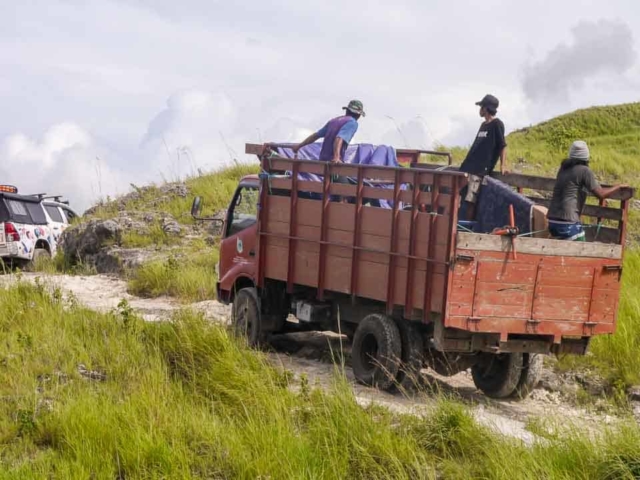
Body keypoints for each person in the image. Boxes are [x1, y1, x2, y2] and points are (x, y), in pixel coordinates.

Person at [547, 140, 626, 241]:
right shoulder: (585, 171)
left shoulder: (563, 168)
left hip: (552, 222)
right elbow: (601, 194)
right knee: (581, 252)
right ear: (586, 156)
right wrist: (618, 186)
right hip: (568, 224)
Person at [459, 94, 507, 220]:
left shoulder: (497, 124)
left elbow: (502, 145)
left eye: (481, 106)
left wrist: (503, 165)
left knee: (471, 200)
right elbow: (475, 146)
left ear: (485, 108)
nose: (479, 109)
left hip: (479, 171)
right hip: (468, 167)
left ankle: (467, 230)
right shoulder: (483, 125)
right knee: (458, 196)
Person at [292, 99, 365, 163]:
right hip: (333, 164)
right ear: (358, 115)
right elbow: (339, 138)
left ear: (347, 110)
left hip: (323, 161)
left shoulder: (334, 121)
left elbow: (315, 135)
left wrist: (299, 146)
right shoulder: (352, 123)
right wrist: (336, 157)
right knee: (339, 178)